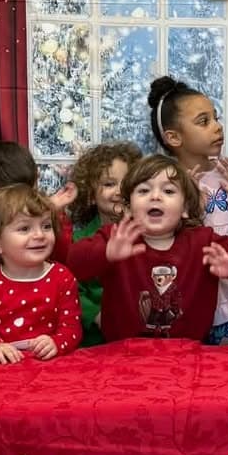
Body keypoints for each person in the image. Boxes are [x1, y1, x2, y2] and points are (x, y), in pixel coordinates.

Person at [66, 153, 228, 342]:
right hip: (122, 356)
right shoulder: (115, 238)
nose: (155, 196)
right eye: (143, 191)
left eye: (168, 191)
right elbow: (70, 263)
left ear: (185, 209)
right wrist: (105, 253)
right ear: (128, 208)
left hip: (188, 354)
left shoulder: (203, 241)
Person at [147, 75, 228, 344]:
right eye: (204, 121)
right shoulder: (165, 183)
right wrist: (187, 205)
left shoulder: (227, 175)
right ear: (173, 137)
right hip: (190, 298)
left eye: (216, 118)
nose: (217, 127)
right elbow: (158, 240)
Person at [0, 185, 81, 364]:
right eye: (24, 228)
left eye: (46, 226)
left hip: (50, 368)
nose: (39, 235)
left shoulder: (62, 277)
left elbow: (72, 329)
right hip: (2, 370)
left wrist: (57, 342)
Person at [66, 141, 142, 345]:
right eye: (109, 184)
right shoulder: (80, 241)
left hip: (139, 333)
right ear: (91, 195)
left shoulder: (148, 234)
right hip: (95, 339)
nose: (119, 191)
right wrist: (96, 315)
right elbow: (70, 288)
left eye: (126, 183)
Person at [0, 140, 75, 277]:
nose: (38, 235)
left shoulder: (50, 216)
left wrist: (53, 215)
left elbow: (65, 259)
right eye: (24, 228)